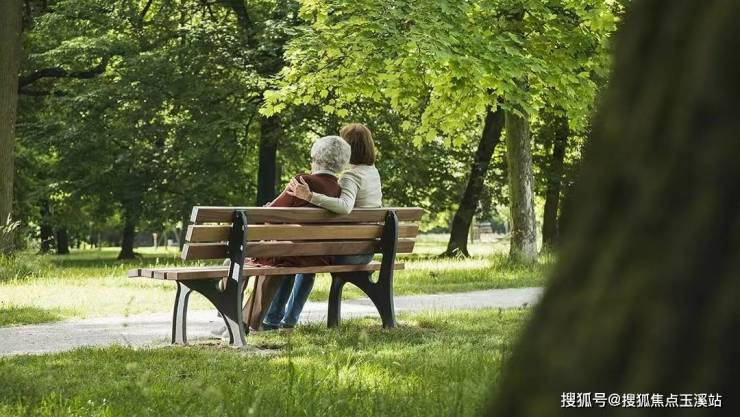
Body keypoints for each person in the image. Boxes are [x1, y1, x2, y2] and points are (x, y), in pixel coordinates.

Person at [262, 123, 382, 330]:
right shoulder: (372, 173)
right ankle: (288, 320)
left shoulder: (350, 176)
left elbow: (344, 206)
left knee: (301, 256)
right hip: (366, 249)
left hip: (349, 252)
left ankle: (275, 320)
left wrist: (310, 196)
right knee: (307, 256)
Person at [239, 135, 352, 332]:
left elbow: (270, 214)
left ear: (316, 158)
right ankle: (252, 320)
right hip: (317, 256)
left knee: (238, 260)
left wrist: (267, 208)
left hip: (289, 254)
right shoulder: (338, 190)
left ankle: (237, 319)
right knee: (268, 257)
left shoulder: (303, 181)